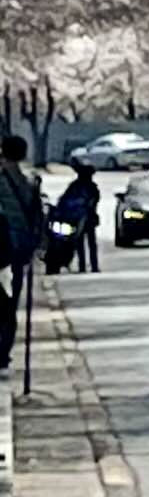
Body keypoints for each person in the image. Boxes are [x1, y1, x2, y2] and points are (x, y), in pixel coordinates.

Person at [0, 133, 44, 364]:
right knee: (11, 302)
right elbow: (38, 217)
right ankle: (3, 350)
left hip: (3, 248)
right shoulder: (31, 180)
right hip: (19, 250)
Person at [57, 157, 101, 273]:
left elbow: (94, 201)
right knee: (84, 242)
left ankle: (89, 265)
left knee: (86, 242)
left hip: (87, 217)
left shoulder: (88, 187)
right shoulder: (81, 186)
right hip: (79, 218)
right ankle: (89, 265)